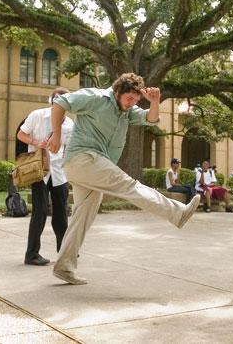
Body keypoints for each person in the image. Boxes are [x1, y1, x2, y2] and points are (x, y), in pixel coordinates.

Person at [47, 73, 201, 285]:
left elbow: (151, 118)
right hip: (83, 159)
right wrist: (56, 134)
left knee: (83, 216)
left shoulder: (126, 112)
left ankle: (64, 267)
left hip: (91, 166)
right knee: (130, 186)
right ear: (118, 92)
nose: (131, 104)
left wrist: (154, 102)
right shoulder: (96, 98)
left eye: (136, 101)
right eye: (129, 99)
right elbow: (60, 102)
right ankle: (177, 212)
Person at [17, 88, 74, 266]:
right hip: (39, 170)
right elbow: (21, 134)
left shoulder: (70, 124)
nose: (58, 105)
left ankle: (64, 252)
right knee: (39, 213)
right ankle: (31, 254)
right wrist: (36, 143)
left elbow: (70, 147)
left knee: (61, 214)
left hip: (59, 172)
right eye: (56, 101)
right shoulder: (37, 115)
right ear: (51, 102)